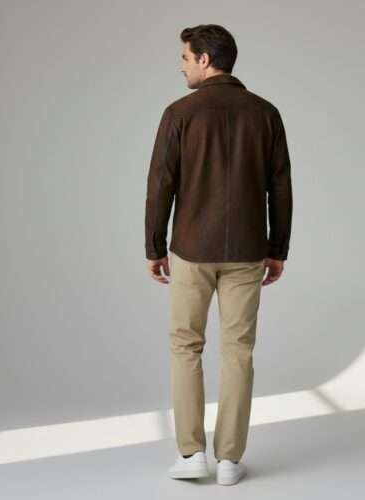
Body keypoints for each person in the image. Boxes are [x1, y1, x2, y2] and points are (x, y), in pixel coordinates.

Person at [144, 23, 293, 485]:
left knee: (185, 345)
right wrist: (277, 248)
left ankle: (192, 454)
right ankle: (229, 459)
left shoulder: (180, 113)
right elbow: (280, 188)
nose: (182, 65)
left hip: (191, 248)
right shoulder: (265, 113)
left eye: (186, 57)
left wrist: (154, 246)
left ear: (205, 60)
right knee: (239, 351)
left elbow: (161, 183)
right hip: (248, 249)